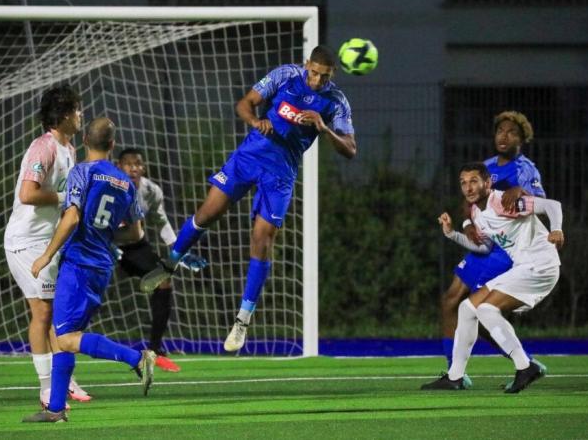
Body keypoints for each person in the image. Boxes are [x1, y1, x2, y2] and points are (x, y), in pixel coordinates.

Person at [140, 45, 356, 352]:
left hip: (280, 175)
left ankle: (242, 321)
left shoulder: (335, 102)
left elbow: (350, 149)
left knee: (262, 239)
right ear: (307, 64)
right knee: (207, 214)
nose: (317, 81)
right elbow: (244, 103)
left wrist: (323, 128)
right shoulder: (285, 75)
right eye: (314, 73)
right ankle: (170, 263)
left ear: (332, 75)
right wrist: (255, 122)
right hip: (249, 158)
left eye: (325, 76)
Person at [23, 117, 155, 423]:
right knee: (62, 333)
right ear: (112, 145)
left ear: (85, 142)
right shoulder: (125, 183)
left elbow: (71, 219)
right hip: (102, 265)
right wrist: (104, 233)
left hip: (79, 263)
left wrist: (45, 255)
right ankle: (56, 408)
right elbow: (136, 234)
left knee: (66, 338)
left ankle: (137, 358)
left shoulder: (82, 172)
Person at [422, 162, 564, 393]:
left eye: (474, 181)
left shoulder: (503, 202)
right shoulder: (477, 212)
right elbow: (484, 247)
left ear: (487, 183)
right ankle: (455, 377)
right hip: (524, 267)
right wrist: (452, 234)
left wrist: (556, 229)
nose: (468, 188)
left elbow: (552, 205)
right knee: (467, 308)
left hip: (541, 266)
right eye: (463, 183)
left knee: (486, 309)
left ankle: (525, 366)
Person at [3, 84, 91, 409]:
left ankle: (61, 379)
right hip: (24, 242)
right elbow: (28, 194)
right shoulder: (44, 148)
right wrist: (64, 198)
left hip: (46, 241)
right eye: (78, 109)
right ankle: (47, 388)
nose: (81, 115)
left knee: (58, 311)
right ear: (65, 114)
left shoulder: (69, 149)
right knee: (43, 311)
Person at [441, 111, 547, 374]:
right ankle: (453, 371)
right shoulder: (486, 166)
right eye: (500, 131)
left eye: (512, 132)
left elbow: (538, 204)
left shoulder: (525, 169)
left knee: (479, 312)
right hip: (484, 246)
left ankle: (526, 363)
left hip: (505, 250)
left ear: (523, 139)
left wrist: (520, 190)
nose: (504, 136)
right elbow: (468, 201)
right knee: (449, 301)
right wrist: (466, 225)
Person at [116, 148, 208, 372]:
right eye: (128, 164)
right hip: (103, 245)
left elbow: (161, 222)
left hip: (134, 247)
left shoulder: (151, 191)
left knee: (164, 280)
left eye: (137, 163)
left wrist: (180, 250)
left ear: (143, 168)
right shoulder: (111, 186)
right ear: (119, 167)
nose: (133, 168)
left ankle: (154, 350)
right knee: (91, 295)